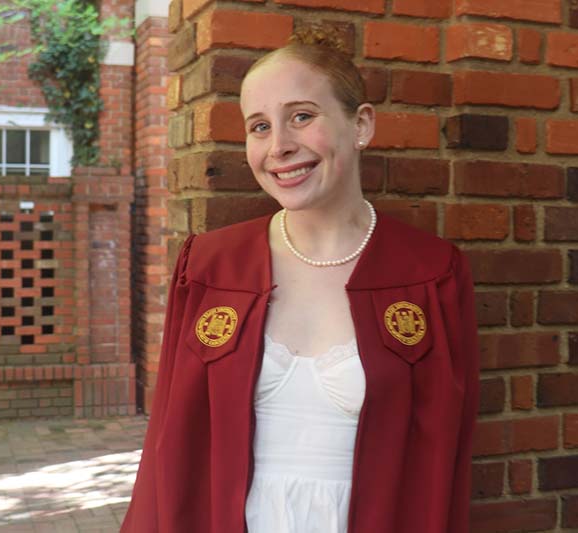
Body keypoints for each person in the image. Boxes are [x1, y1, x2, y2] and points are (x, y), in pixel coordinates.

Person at [121, 26, 480, 533]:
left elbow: (448, 455)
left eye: (302, 117)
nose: (279, 147)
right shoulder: (208, 268)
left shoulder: (431, 273)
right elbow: (168, 442)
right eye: (259, 127)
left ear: (361, 125)